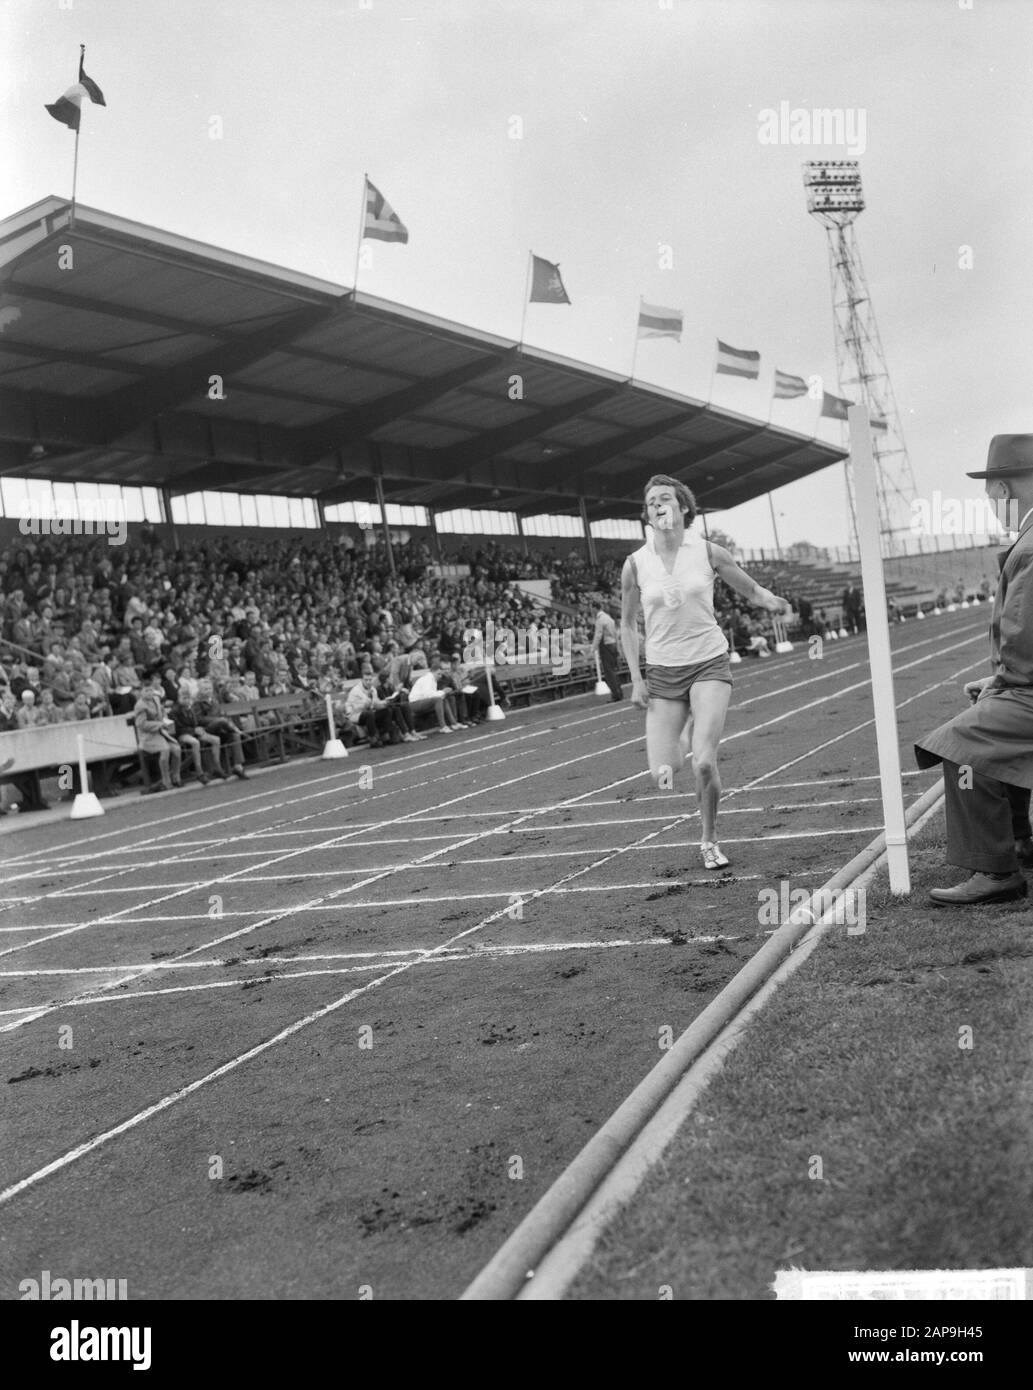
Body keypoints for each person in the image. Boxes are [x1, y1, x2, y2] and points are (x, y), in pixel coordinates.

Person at [620, 474, 790, 871]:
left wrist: (773, 602)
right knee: (663, 771)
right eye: (651, 501)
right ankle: (682, 727)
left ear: (683, 508)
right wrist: (636, 679)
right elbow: (628, 625)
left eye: (666, 498)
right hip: (663, 672)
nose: (659, 505)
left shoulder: (710, 552)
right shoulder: (635, 565)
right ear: (646, 514)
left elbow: (750, 590)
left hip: (708, 662)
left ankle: (709, 840)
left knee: (703, 762)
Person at [915, 435, 1033, 904]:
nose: (990, 506)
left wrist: (1002, 684)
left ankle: (995, 871)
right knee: (988, 724)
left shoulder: (1029, 547)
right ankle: (1020, 839)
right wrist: (998, 681)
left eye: (990, 496)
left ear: (1003, 491)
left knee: (959, 744)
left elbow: (1023, 637)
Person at [133, 680, 182, 794]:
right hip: (148, 736)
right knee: (165, 749)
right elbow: (141, 724)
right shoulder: (140, 706)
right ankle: (166, 780)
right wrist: (160, 724)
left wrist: (165, 719)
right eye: (146, 691)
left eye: (150, 690)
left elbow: (162, 711)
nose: (149, 693)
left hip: (162, 732)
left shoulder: (156, 699)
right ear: (141, 692)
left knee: (177, 749)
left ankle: (176, 776)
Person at [591, 600, 623, 701]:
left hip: (606, 645)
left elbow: (598, 635)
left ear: (595, 608)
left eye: (591, 608)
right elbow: (615, 633)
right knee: (613, 670)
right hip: (613, 644)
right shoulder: (608, 618)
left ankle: (615, 694)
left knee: (609, 672)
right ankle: (619, 692)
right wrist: (618, 648)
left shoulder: (600, 619)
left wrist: (593, 648)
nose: (591, 610)